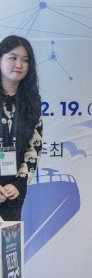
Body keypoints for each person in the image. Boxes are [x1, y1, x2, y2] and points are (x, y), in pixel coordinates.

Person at [0, 36, 42, 222]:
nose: (19, 65)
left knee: (9, 241)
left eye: (25, 60)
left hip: (13, 193)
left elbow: (34, 146)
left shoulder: (32, 102)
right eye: (13, 58)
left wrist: (19, 183)